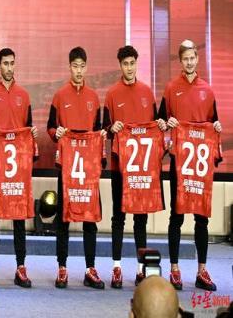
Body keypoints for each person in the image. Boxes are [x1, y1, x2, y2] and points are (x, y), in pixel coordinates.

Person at [158, 40, 222, 291]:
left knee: (201, 218)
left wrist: (216, 127)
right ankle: (174, 270)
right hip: (179, 163)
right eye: (185, 58)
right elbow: (160, 121)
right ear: (180, 61)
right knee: (177, 216)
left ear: (197, 58)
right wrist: (167, 123)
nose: (189, 62)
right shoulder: (171, 88)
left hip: (200, 165)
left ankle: (201, 271)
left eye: (192, 58)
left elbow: (214, 123)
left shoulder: (208, 90)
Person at [103, 45, 166, 288]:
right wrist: (112, 128)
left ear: (136, 63)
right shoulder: (111, 94)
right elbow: (104, 128)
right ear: (120, 65)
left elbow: (155, 127)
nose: (129, 68)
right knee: (118, 217)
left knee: (141, 218)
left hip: (142, 169)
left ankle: (141, 269)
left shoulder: (147, 92)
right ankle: (116, 267)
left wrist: (161, 126)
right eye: (125, 64)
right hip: (120, 168)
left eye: (132, 63)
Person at [47, 46, 106, 289]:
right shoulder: (60, 96)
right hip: (68, 167)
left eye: (82, 66)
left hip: (88, 169)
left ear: (86, 67)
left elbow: (99, 130)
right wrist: (57, 132)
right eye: (75, 66)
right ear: (69, 67)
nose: (79, 71)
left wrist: (101, 136)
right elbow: (50, 127)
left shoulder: (94, 97)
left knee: (90, 218)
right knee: (64, 218)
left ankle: (90, 269)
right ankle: (62, 268)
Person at [0, 47, 38, 288]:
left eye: (12, 63)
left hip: (18, 168)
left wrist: (32, 133)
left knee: (19, 216)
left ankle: (20, 267)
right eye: (5, 63)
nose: (9, 67)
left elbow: (29, 128)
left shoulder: (24, 95)